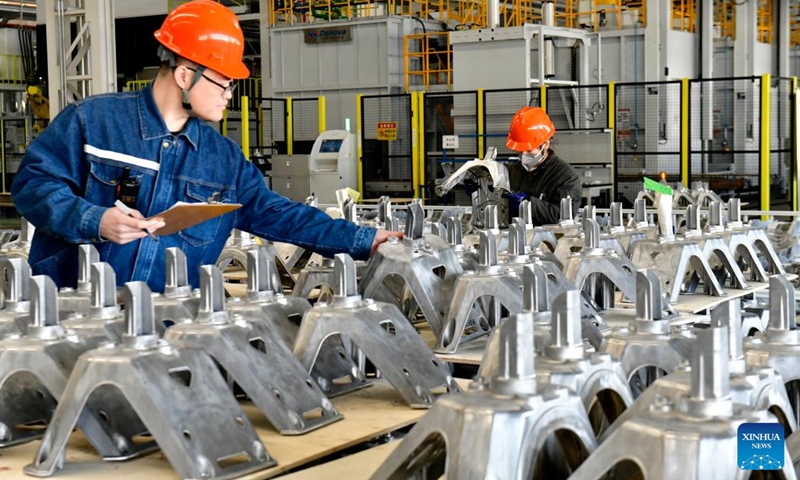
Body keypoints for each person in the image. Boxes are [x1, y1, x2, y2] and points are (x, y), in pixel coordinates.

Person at [11, 0, 397, 292]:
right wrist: (93, 220)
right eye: (224, 81)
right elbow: (34, 186)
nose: (230, 93)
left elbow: (279, 214)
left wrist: (362, 239)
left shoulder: (222, 160)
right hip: (73, 315)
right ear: (185, 75)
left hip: (166, 326)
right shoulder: (93, 123)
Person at [505, 106, 582, 225]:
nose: (524, 155)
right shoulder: (513, 171)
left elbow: (562, 215)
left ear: (546, 144)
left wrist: (528, 202)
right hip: (513, 232)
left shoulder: (566, 177)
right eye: (520, 151)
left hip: (547, 236)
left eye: (529, 150)